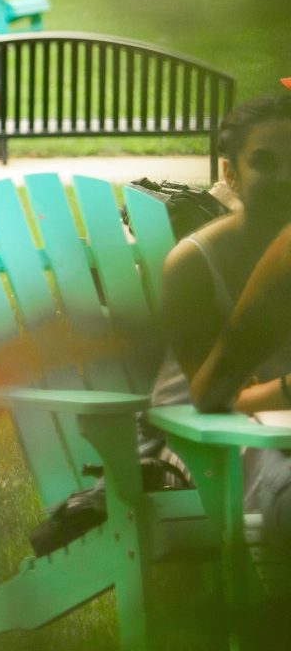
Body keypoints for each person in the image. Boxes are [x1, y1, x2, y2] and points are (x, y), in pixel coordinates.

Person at [154, 93, 291, 551]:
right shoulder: (195, 265)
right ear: (230, 173)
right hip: (218, 445)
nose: (286, 178)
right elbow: (210, 400)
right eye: (265, 163)